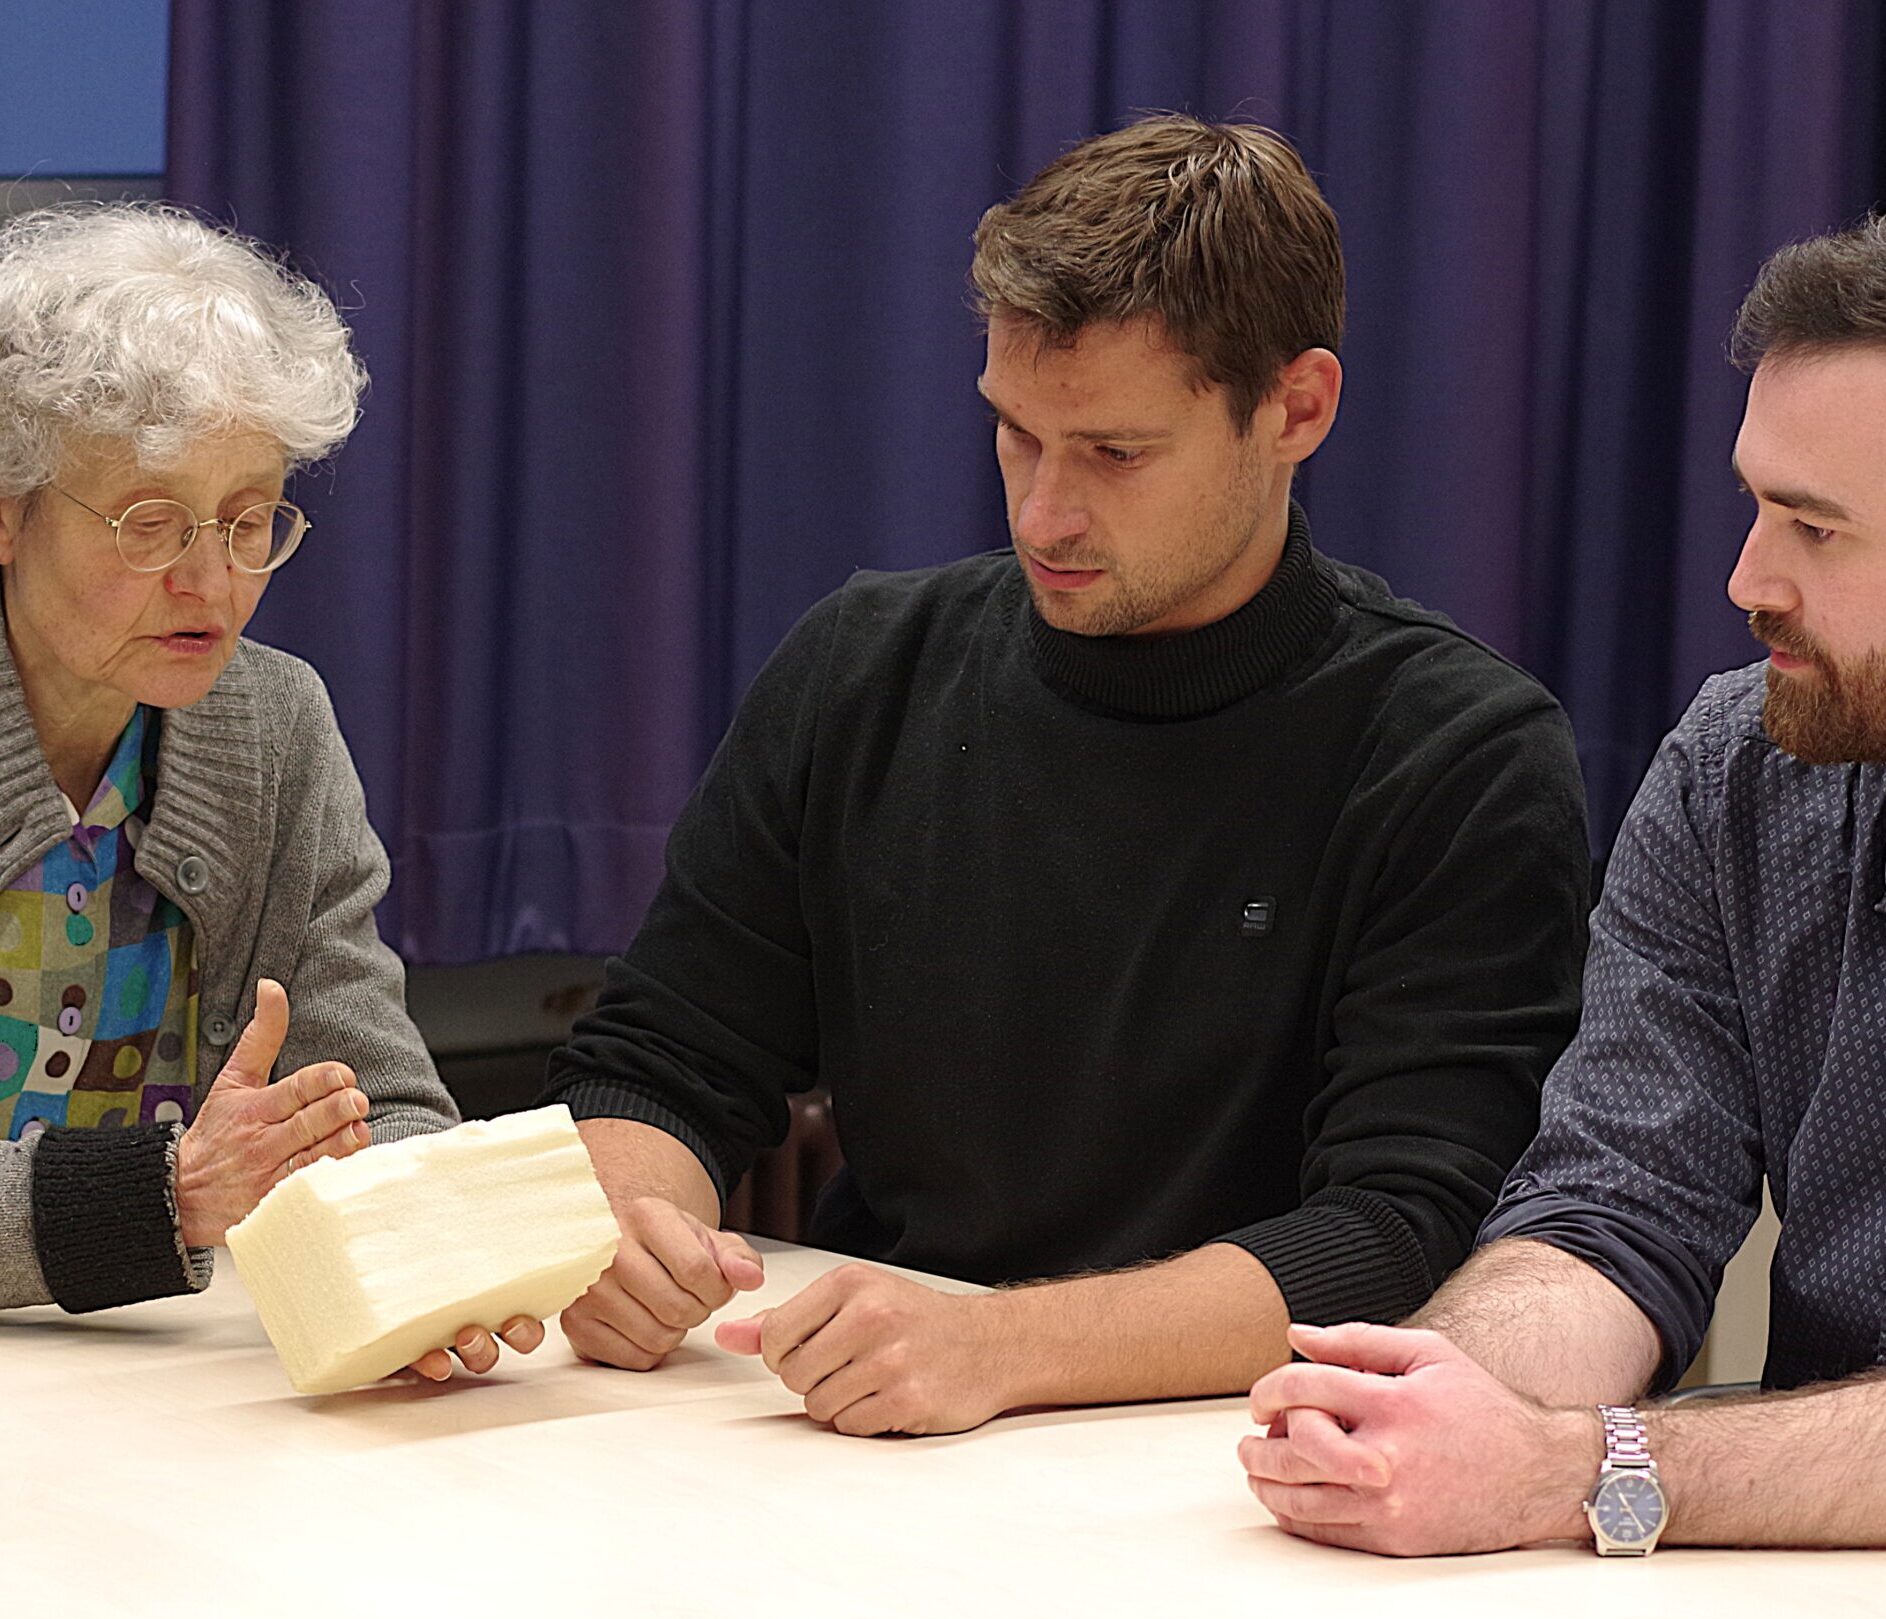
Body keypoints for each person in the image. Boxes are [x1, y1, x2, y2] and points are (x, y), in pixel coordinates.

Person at [547, 115, 1590, 1435]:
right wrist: (623, 1219)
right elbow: (662, 1060)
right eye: (1013, 435)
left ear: (1295, 408)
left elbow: (1399, 1231)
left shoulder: (1456, 752)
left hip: (1250, 1460)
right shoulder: (864, 667)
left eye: (1113, 452)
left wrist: (1001, 1344)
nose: (1042, 510)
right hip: (877, 1429)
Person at [1241, 215, 1886, 1555]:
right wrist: (1422, 1393)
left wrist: (1582, 1465)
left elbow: (1587, 1461)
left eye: (1814, 531)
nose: (1744, 580)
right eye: (1754, 503)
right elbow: (1617, 1200)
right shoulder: (1737, 766)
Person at [0, 203, 531, 1382]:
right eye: (150, 523)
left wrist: (426, 1255)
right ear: (7, 515)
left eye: (249, 521)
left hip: (167, 1388)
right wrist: (158, 1194)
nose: (211, 580)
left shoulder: (273, 724)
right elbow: (181, 1193)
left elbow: (373, 1094)